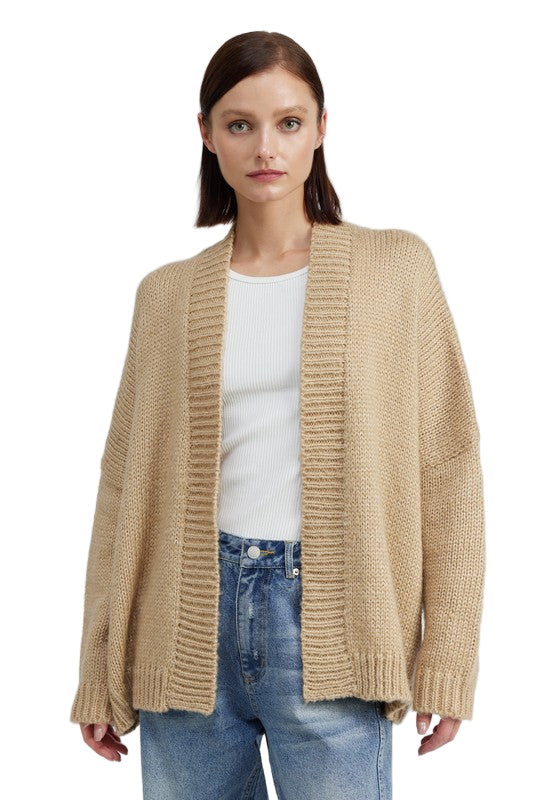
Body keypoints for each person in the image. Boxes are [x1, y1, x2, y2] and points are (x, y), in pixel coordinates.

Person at [71, 30, 485, 800]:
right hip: (183, 626)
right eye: (240, 124)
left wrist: (448, 658)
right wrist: (100, 664)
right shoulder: (165, 297)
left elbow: (448, 465)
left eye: (288, 122)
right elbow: (122, 487)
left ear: (321, 128)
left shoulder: (395, 270)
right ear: (206, 133)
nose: (265, 147)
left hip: (336, 626)